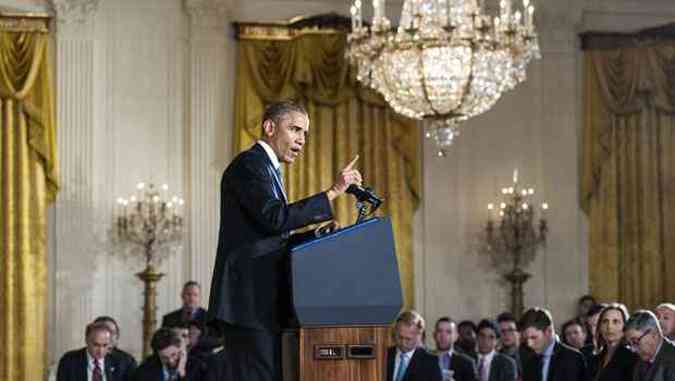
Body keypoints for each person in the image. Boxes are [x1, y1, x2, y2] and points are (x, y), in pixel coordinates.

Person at [207, 100, 363, 381]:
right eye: (294, 129)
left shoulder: (269, 170)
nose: (302, 140)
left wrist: (314, 236)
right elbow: (274, 218)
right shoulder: (249, 164)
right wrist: (334, 191)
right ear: (269, 127)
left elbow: (271, 236)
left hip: (262, 304)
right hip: (247, 303)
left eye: (305, 133)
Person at [519, 307, 589, 381]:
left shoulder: (573, 358)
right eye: (526, 339)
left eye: (534, 337)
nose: (529, 344)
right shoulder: (528, 360)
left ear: (548, 331)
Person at [57, 322, 128, 381]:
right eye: (96, 345)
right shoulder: (69, 361)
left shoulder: (120, 363)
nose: (101, 350)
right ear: (87, 341)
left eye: (105, 345)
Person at [386, 310, 442, 381]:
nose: (403, 343)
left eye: (408, 339)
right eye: (400, 337)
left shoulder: (430, 362)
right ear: (395, 333)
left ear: (419, 336)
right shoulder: (384, 355)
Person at [589, 303, 638, 381]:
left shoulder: (632, 358)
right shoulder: (595, 359)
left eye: (615, 322)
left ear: (625, 326)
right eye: (605, 321)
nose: (609, 327)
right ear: (600, 327)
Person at [133, 328, 203, 381]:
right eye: (164, 358)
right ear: (157, 354)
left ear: (180, 349)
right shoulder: (144, 371)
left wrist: (182, 373)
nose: (171, 361)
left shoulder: (198, 368)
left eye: (173, 354)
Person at [624, 310, 675, 381]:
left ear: (654, 334)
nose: (633, 349)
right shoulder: (640, 362)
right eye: (629, 344)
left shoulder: (672, 360)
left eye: (635, 342)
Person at [92, 316, 137, 380]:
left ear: (117, 337)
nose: (107, 336)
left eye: (112, 332)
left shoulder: (127, 363)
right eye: (102, 332)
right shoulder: (74, 360)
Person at [433, 317, 477, 381]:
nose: (443, 336)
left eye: (448, 332)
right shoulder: (423, 360)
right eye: (440, 331)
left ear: (456, 336)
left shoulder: (467, 363)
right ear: (434, 335)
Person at [497, 312, 523, 378]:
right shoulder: (495, 358)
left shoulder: (528, 358)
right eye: (502, 331)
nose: (506, 334)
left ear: (519, 333)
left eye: (510, 330)